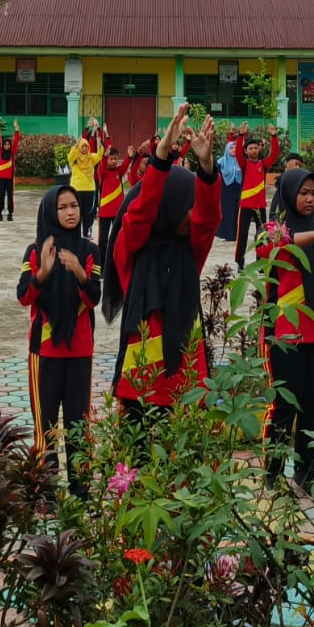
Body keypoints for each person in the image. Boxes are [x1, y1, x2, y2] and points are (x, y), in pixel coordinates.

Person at [102, 106, 221, 422]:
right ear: (168, 207)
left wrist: (207, 168)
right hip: (139, 388)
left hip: (187, 386)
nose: (193, 215)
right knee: (138, 465)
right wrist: (160, 158)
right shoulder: (131, 252)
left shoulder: (190, 251)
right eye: (188, 207)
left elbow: (210, 218)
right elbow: (141, 213)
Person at [258, 168, 314, 492]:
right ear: (289, 193)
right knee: (286, 406)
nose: (310, 198)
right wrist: (312, 237)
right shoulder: (274, 228)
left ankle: (306, 473)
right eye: (304, 192)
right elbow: (268, 245)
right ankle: (272, 473)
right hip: (288, 333)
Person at [18, 185, 102, 498]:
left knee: (79, 424)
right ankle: (48, 491)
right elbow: (23, 296)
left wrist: (80, 272)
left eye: (74, 206)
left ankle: (81, 488)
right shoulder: (35, 250)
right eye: (62, 207)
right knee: (47, 424)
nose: (70, 212)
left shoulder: (90, 250)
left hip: (80, 350)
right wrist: (43, 273)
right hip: (45, 351)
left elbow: (95, 298)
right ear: (50, 212)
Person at [231, 123, 281, 271]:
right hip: (245, 205)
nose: (253, 150)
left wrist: (273, 136)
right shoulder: (243, 163)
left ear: (259, 149)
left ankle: (261, 261)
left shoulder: (263, 164)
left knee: (262, 236)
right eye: (250, 148)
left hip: (260, 206)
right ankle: (240, 262)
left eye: (255, 148)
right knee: (242, 235)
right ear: (246, 151)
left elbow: (274, 154)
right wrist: (241, 136)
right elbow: (238, 153)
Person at [94, 139, 128, 260]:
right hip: (105, 213)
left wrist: (130, 156)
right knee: (103, 240)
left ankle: (116, 261)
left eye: (115, 159)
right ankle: (102, 264)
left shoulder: (119, 171)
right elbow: (102, 165)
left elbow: (126, 164)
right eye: (111, 159)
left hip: (118, 212)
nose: (114, 161)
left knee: (118, 238)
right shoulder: (102, 172)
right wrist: (104, 157)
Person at [67, 128, 100, 236]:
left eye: (86, 146)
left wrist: (99, 139)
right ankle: (75, 233)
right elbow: (71, 155)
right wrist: (76, 144)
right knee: (76, 212)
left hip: (89, 188)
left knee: (89, 212)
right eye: (83, 146)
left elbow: (100, 154)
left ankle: (86, 232)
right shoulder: (74, 158)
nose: (85, 148)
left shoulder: (91, 158)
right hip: (77, 188)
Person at [0, 118, 20, 222]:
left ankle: (10, 214)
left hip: (10, 179)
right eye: (5, 144)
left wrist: (16, 128)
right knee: (0, 197)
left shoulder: (12, 153)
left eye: (8, 144)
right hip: (0, 179)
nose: (7, 146)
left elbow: (16, 140)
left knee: (10, 197)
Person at [214, 138, 241, 241]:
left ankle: (235, 235)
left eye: (235, 148)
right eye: (231, 148)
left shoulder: (241, 161)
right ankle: (226, 234)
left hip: (238, 189)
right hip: (225, 190)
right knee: (227, 212)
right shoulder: (221, 162)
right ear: (227, 150)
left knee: (236, 212)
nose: (233, 150)